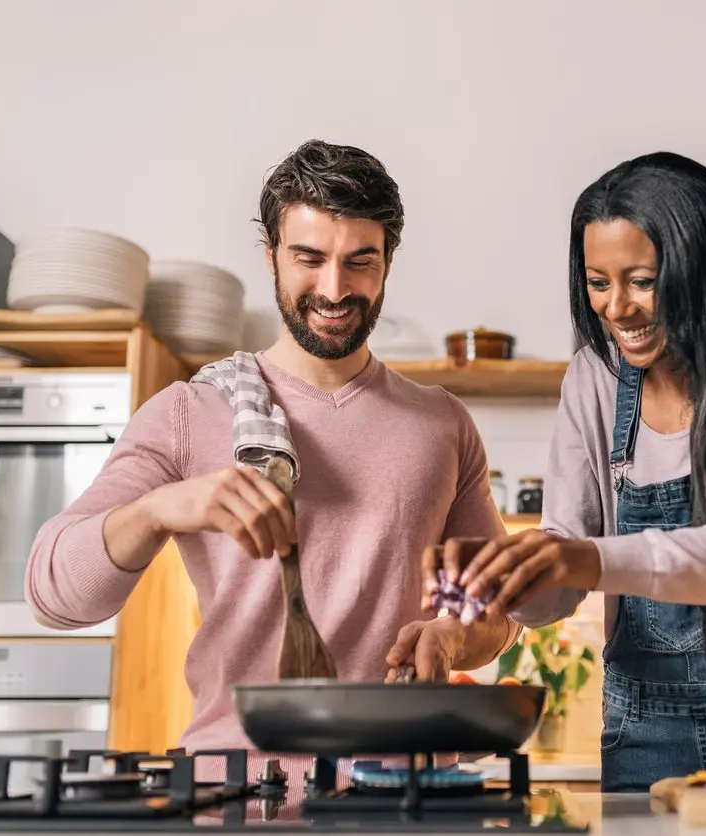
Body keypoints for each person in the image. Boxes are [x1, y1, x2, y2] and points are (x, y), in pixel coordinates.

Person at [26, 139, 519, 775]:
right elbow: (54, 594)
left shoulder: (441, 423)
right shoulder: (191, 412)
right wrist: (158, 509)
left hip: (401, 797)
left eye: (360, 262)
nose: (334, 288)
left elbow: (501, 611)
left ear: (389, 262)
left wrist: (456, 634)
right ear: (271, 257)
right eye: (308, 258)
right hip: (233, 791)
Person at [422, 151, 706, 792]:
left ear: (703, 268)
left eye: (642, 280)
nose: (617, 308)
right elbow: (559, 581)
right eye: (598, 282)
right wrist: (493, 590)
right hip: (645, 728)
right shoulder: (593, 380)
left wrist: (584, 560)